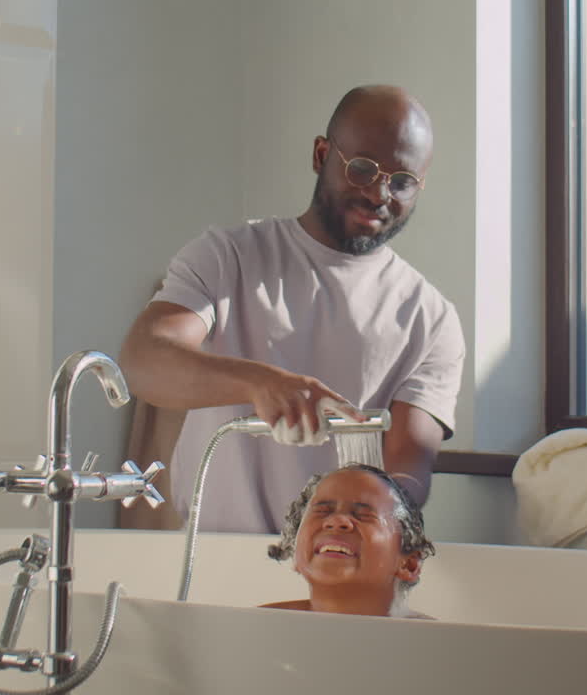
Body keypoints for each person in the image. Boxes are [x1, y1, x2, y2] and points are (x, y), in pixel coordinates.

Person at [118, 84, 465, 533]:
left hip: (336, 572)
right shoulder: (229, 257)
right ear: (322, 155)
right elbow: (144, 362)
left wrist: (361, 516)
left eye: (402, 182)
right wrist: (259, 383)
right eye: (363, 168)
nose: (380, 194)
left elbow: (409, 473)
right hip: (210, 563)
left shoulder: (431, 318)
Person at [260, 463, 435, 618]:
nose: (336, 521)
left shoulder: (434, 644)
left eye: (364, 515)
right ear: (294, 550)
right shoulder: (258, 628)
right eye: (322, 511)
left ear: (409, 565)